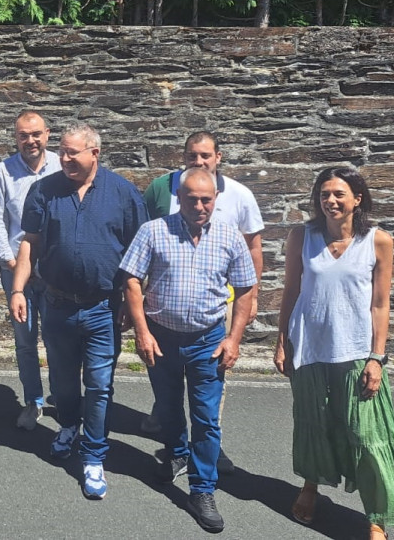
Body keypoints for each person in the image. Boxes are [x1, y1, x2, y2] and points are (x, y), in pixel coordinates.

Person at [273, 167, 394, 540]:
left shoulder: (377, 241)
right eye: (325, 194)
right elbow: (291, 291)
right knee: (313, 423)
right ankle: (311, 487)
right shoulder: (301, 236)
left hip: (356, 350)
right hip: (309, 348)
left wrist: (377, 357)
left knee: (367, 434)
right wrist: (281, 340)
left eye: (339, 194)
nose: (331, 201)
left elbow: (380, 304)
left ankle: (377, 515)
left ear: (358, 199)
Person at [11, 123, 147, 500]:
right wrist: (18, 289)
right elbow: (29, 245)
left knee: (100, 386)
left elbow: (140, 255)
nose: (66, 159)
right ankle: (69, 425)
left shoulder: (123, 193)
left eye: (73, 153)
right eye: (63, 152)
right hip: (56, 305)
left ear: (95, 153)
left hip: (104, 308)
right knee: (64, 381)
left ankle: (93, 456)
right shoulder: (45, 190)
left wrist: (134, 308)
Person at [120, 168, 257, 532]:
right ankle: (178, 453)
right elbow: (131, 279)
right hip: (161, 338)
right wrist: (142, 331)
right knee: (166, 407)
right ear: (179, 197)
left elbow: (245, 290)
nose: (200, 206)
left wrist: (234, 339)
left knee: (207, 418)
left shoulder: (230, 237)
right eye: (192, 199)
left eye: (206, 199)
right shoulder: (153, 231)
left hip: (208, 342)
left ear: (215, 199)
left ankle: (202, 489)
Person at [140, 131, 264, 474]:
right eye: (192, 155)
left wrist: (250, 298)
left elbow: (253, 247)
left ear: (218, 157)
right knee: (168, 394)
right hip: (166, 309)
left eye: (205, 155)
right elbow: (145, 247)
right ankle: (177, 443)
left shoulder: (239, 195)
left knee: (208, 396)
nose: (199, 161)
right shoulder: (162, 189)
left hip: (218, 304)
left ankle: (208, 449)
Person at [0, 110, 61, 430]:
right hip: (18, 269)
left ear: (47, 134)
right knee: (25, 340)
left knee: (59, 338)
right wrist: (10, 261)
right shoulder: (4, 171)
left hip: (57, 269)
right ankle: (33, 400)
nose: (30, 140)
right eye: (23, 135)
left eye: (36, 134)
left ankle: (63, 394)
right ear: (15, 138)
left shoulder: (62, 164)